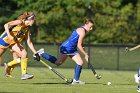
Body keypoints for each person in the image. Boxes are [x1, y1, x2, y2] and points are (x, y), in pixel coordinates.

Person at [35, 18, 94, 84]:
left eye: (92, 27)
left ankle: (76, 80)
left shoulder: (83, 30)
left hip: (72, 48)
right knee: (58, 63)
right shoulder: (82, 31)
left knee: (80, 62)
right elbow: (79, 45)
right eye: (90, 27)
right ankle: (42, 53)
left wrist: (83, 47)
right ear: (86, 24)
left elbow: (79, 41)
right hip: (67, 48)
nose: (91, 29)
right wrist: (85, 54)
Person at [0, 12, 40, 80]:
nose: (34, 22)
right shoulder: (20, 22)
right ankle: (8, 70)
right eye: (34, 20)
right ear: (30, 19)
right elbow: (6, 25)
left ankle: (24, 74)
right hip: (4, 41)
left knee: (24, 53)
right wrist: (9, 35)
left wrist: (35, 53)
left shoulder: (27, 29)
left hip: (13, 42)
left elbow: (29, 42)